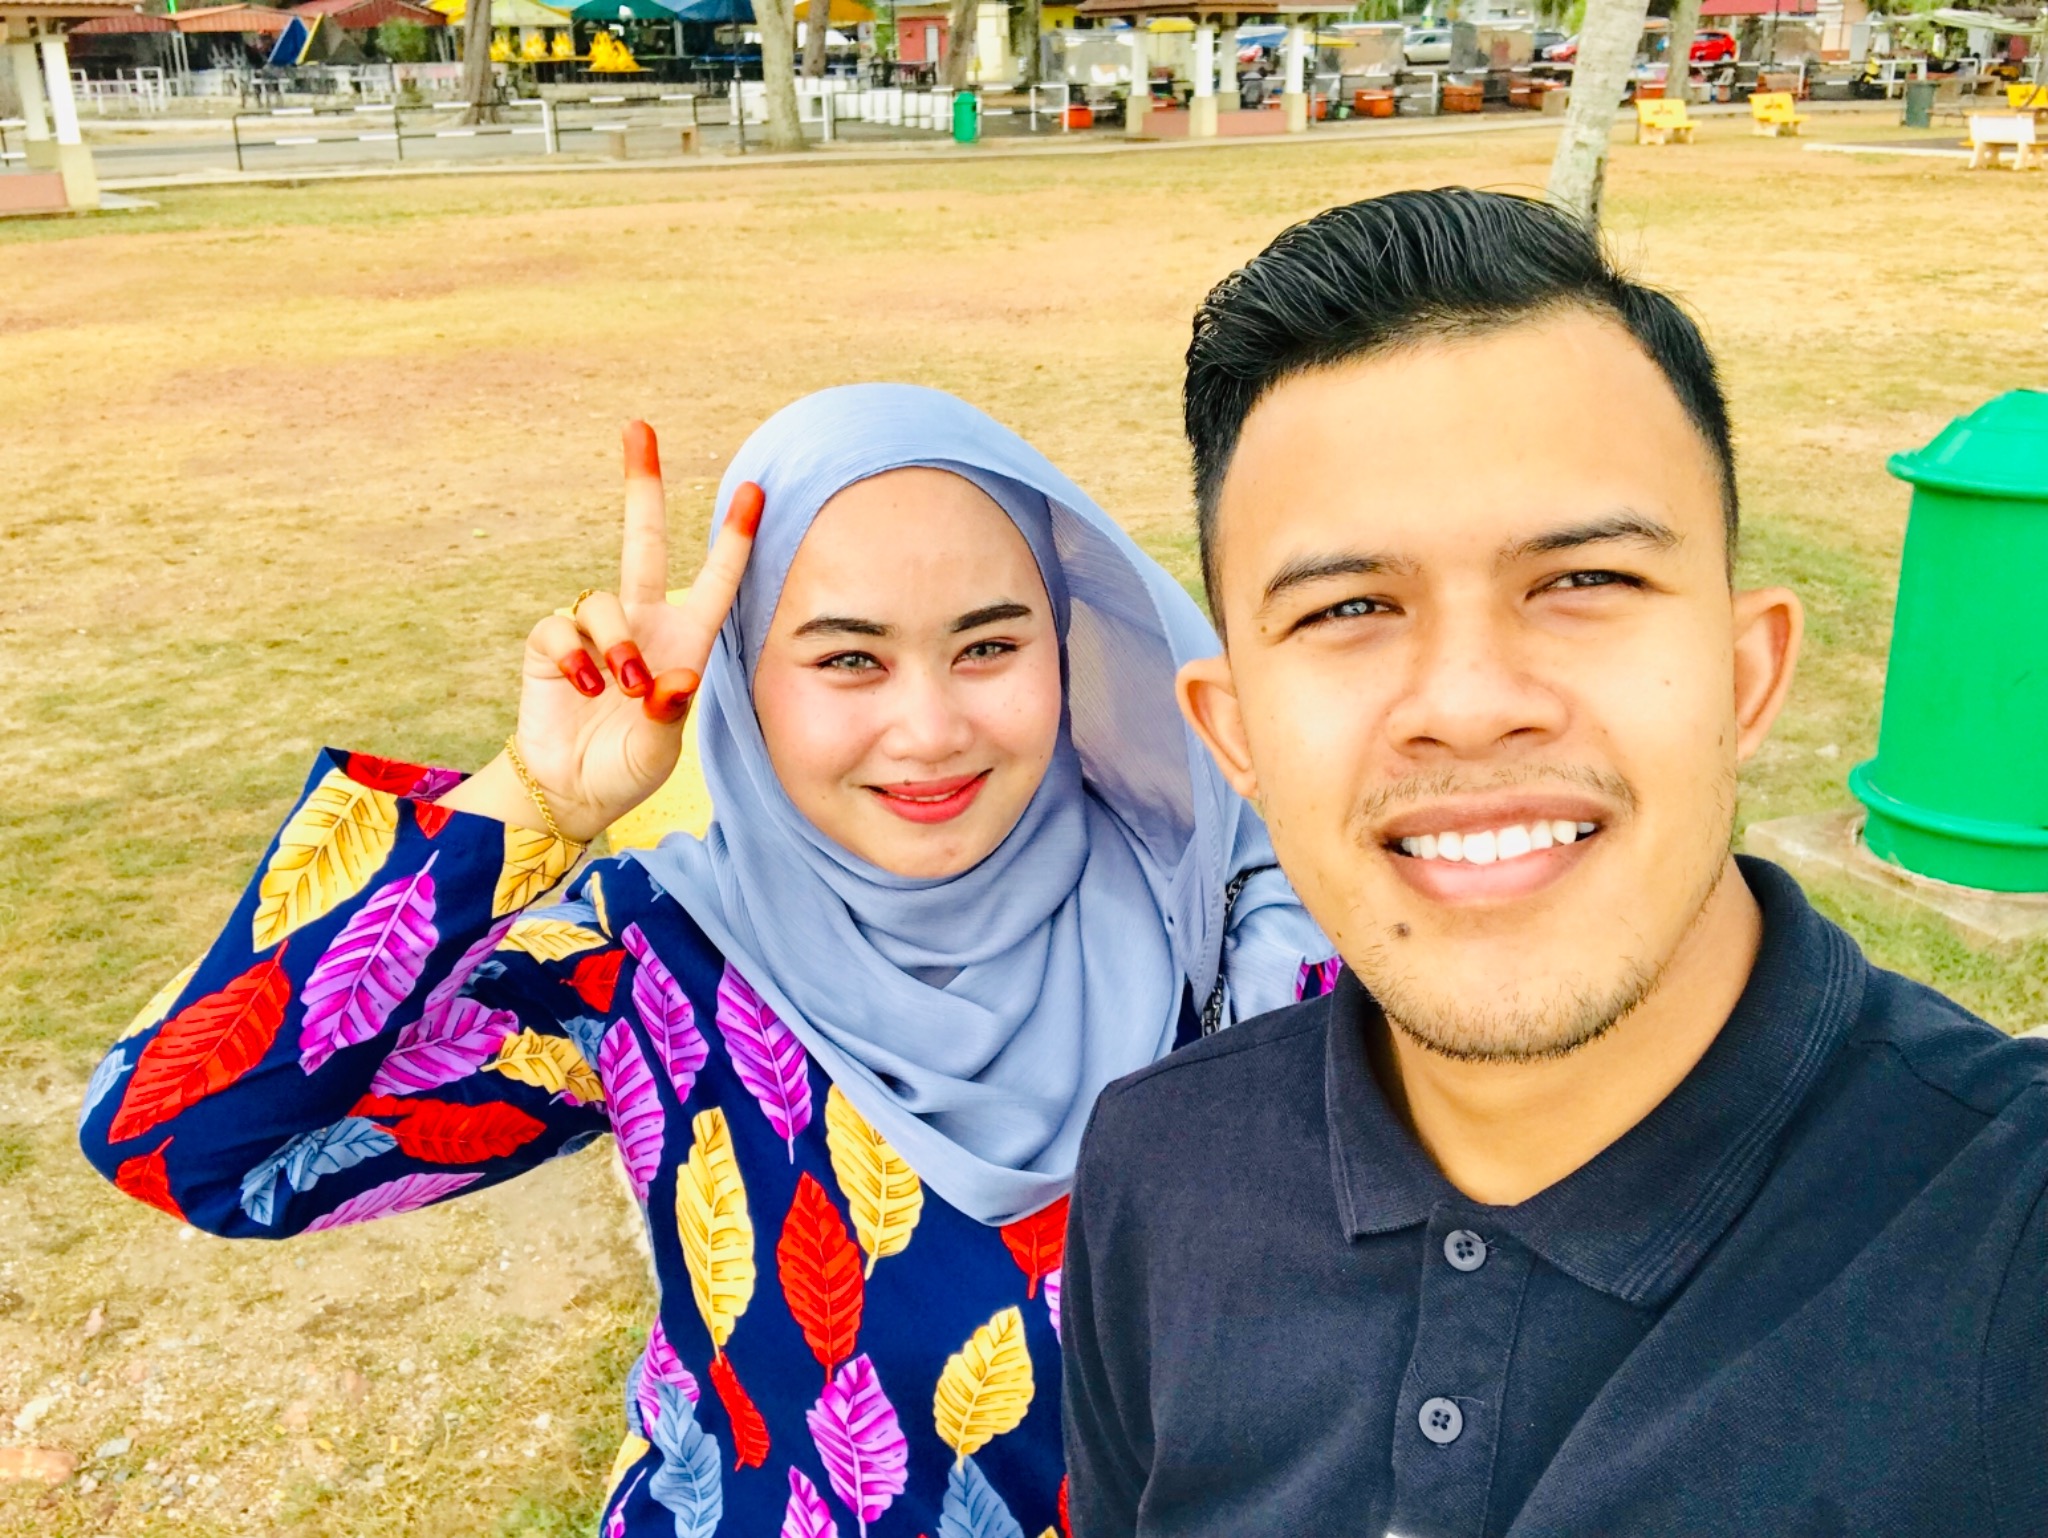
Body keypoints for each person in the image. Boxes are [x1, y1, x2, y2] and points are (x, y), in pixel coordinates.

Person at [78, 384, 1328, 1537]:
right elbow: (185, 1138)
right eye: (847, 658)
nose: (929, 727)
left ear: (1068, 643)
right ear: (742, 677)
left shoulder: (1243, 923)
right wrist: (534, 798)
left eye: (989, 646)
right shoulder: (648, 965)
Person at [1060, 189, 2048, 1537]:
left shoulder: (2008, 1231)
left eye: (1582, 580)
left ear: (1746, 675)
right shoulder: (1160, 1168)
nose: (1469, 703)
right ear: (1235, 733)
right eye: (1349, 606)